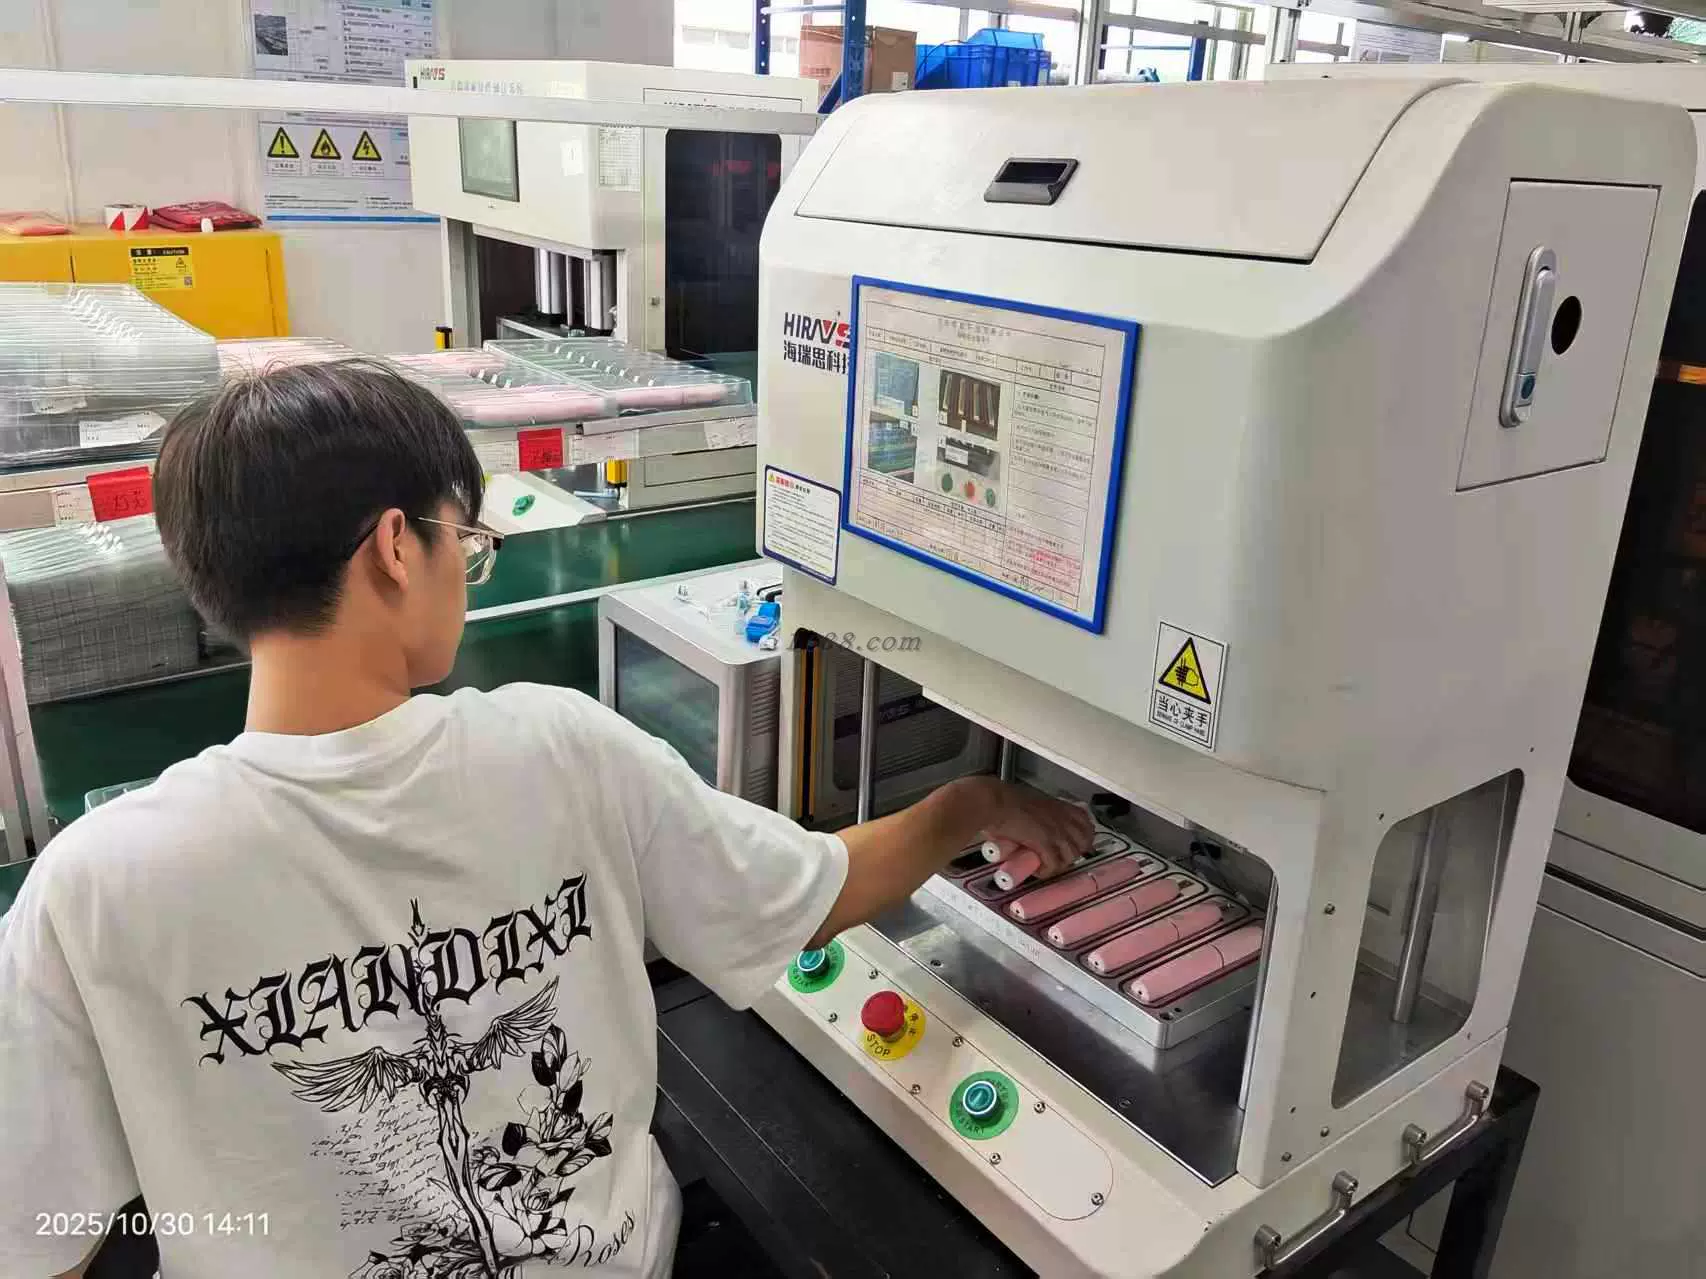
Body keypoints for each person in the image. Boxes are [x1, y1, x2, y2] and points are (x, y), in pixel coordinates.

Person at [0, 362, 1091, 1279]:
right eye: (465, 543)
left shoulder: (92, 888)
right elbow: (810, 893)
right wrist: (973, 803)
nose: (466, 576)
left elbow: (40, 1235)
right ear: (395, 547)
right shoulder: (559, 748)